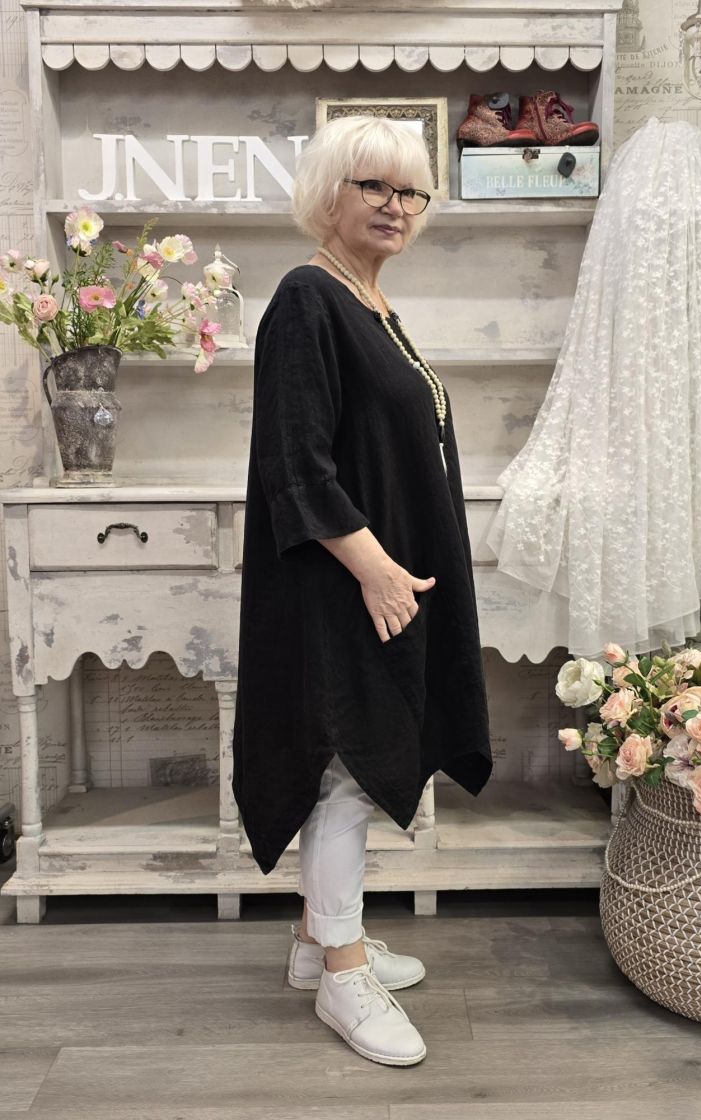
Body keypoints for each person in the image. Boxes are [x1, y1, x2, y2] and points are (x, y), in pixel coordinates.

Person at [231, 114, 492, 1067]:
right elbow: (294, 462)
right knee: (345, 760)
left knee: (361, 753)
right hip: (340, 580)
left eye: (411, 190)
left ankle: (317, 939)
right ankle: (343, 975)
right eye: (373, 186)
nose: (396, 206)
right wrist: (375, 567)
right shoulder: (308, 297)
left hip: (376, 574)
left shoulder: (370, 303)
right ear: (328, 194)